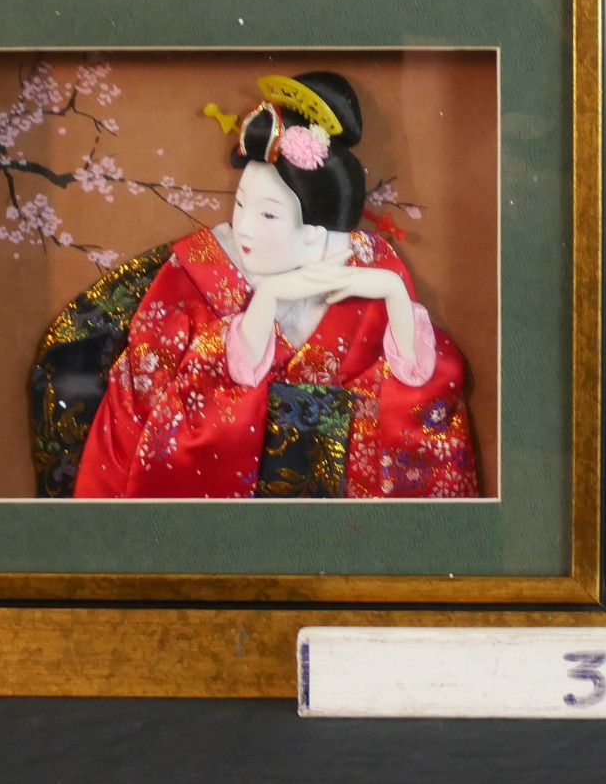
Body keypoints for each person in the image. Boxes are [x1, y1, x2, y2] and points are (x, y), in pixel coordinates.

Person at [56, 71, 478, 500]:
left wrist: (389, 288)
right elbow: (147, 385)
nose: (245, 229)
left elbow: (418, 384)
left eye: (269, 215)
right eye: (240, 205)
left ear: (316, 232)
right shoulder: (201, 270)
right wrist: (270, 298)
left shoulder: (368, 270)